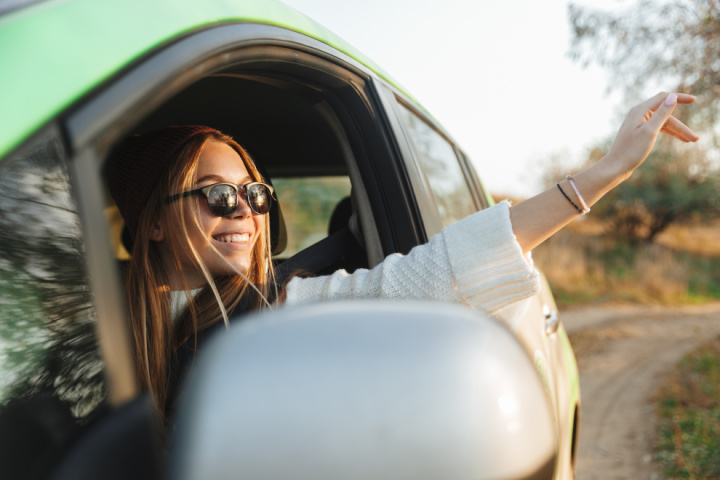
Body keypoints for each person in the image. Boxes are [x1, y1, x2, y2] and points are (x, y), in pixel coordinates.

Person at [105, 92, 698, 421]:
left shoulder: (281, 309)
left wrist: (604, 173)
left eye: (255, 193)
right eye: (216, 194)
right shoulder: (89, 323)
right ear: (152, 221)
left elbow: (440, 271)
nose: (243, 211)